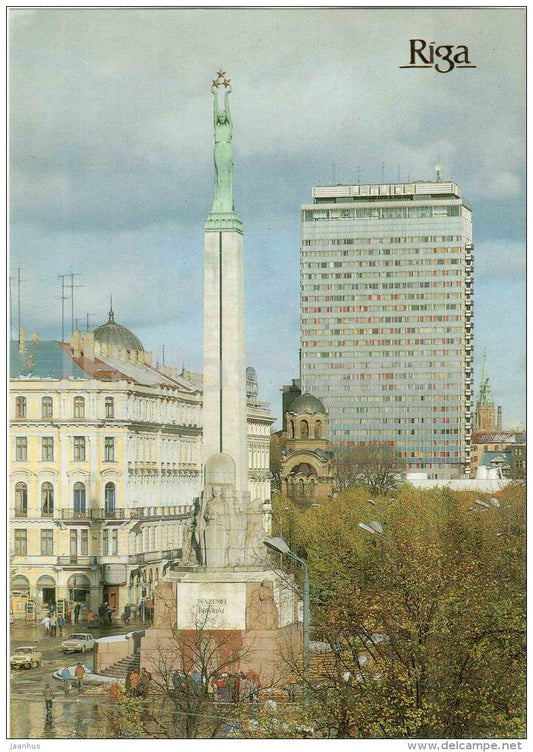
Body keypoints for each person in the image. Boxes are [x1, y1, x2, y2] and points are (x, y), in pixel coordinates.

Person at [211, 76, 234, 212]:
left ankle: (227, 200)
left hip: (227, 148)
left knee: (226, 174)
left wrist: (226, 95)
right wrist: (215, 95)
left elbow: (228, 111)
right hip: (218, 147)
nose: (220, 117)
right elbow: (214, 111)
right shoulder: (216, 126)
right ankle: (219, 200)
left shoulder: (229, 126)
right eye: (219, 116)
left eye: (222, 116)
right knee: (219, 174)